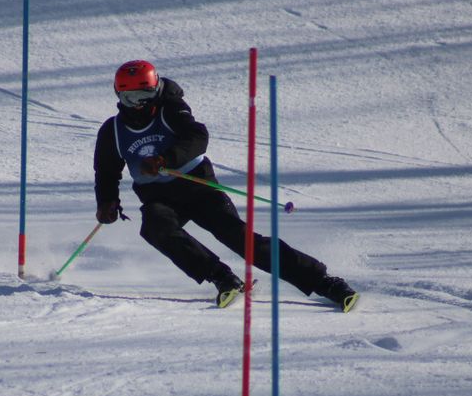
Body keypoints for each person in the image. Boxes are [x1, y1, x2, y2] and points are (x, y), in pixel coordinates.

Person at [93, 59, 359, 311]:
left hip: (198, 186)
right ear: (118, 96)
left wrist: (167, 159)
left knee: (239, 239)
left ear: (157, 89)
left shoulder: (171, 109)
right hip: (158, 196)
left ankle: (324, 282)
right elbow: (106, 171)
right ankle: (221, 277)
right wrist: (107, 201)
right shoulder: (112, 131)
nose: (139, 104)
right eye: (130, 98)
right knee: (155, 226)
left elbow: (197, 136)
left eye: (146, 95)